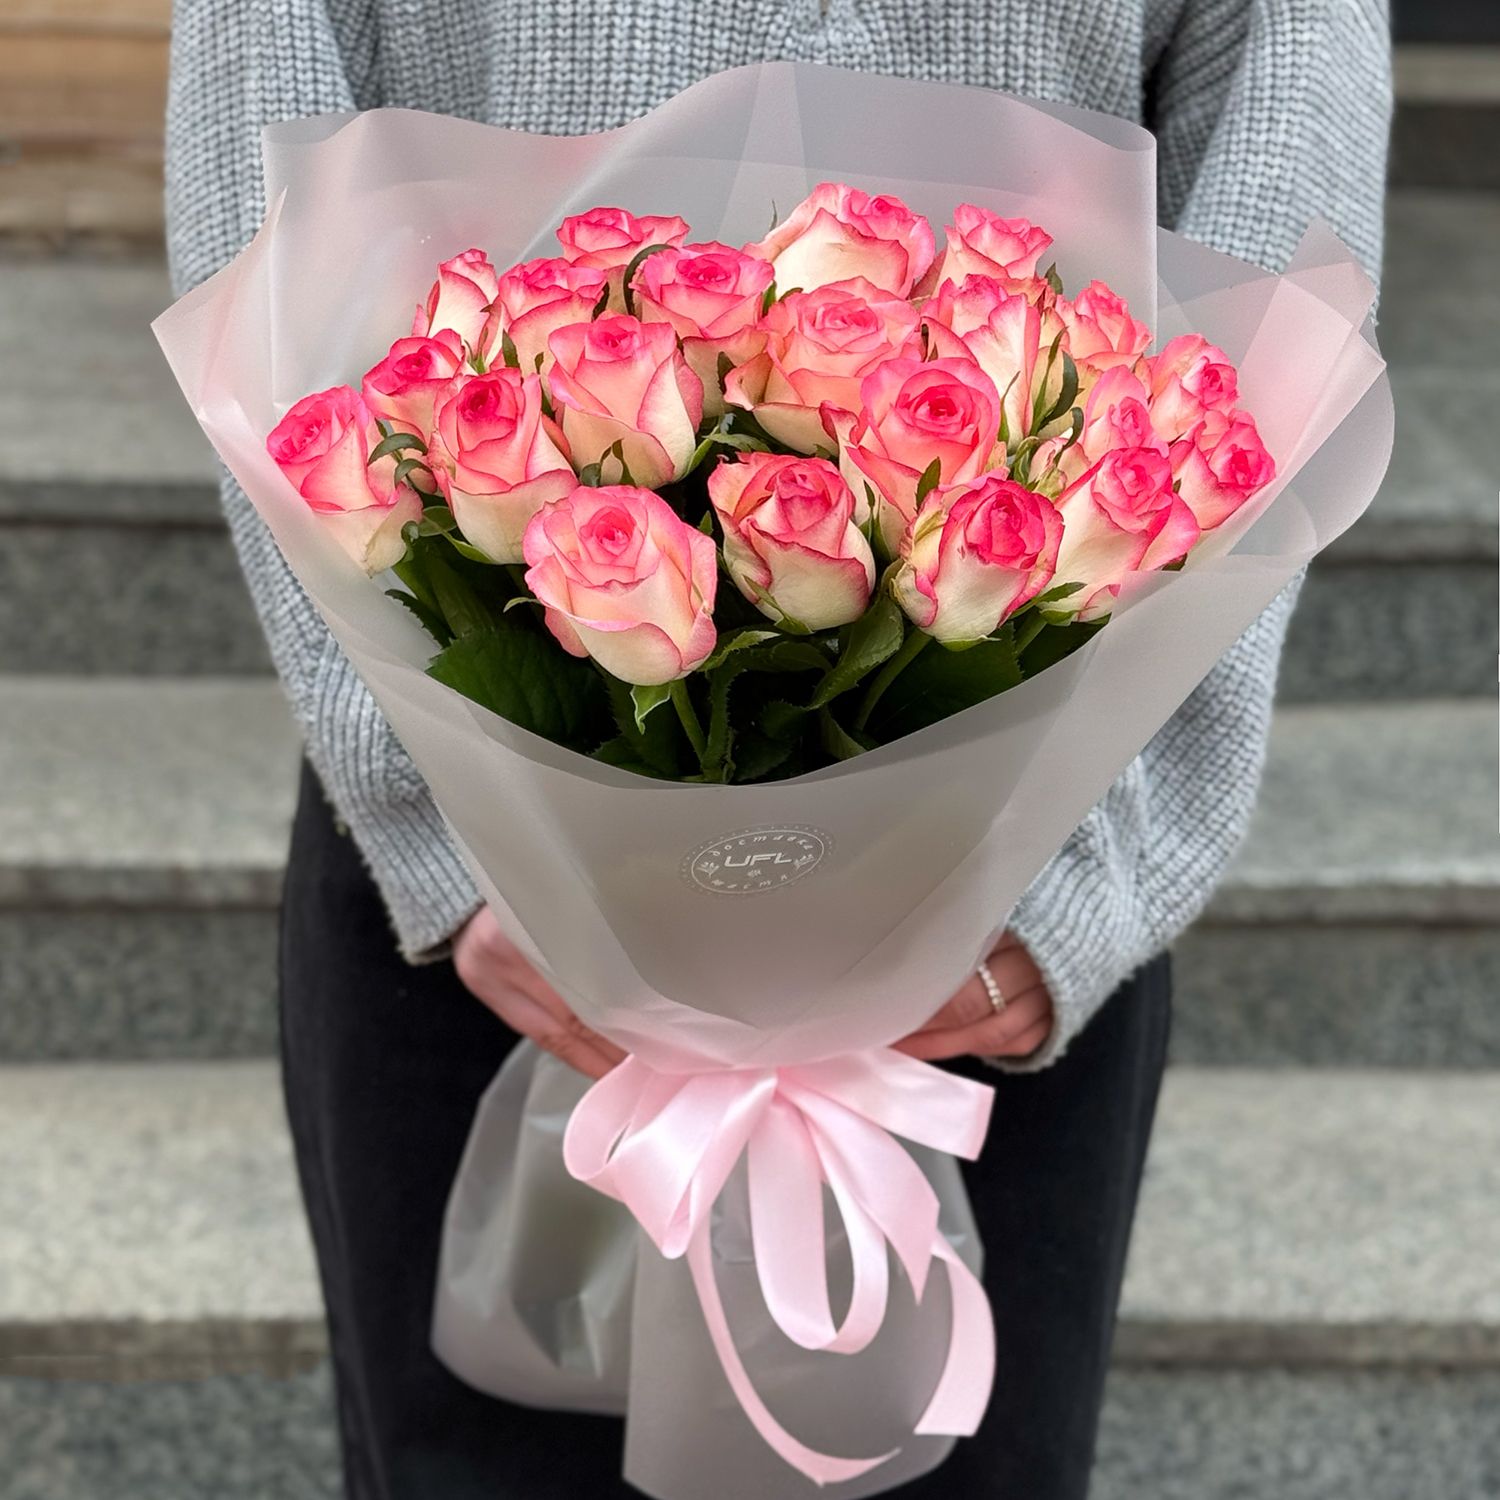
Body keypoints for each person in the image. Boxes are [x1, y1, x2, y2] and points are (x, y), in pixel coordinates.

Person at [166, 4, 1390, 1496]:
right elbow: (256, 187)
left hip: (999, 888)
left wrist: (1084, 873)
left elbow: (1282, 244)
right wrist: (448, 829)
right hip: (486, 878)